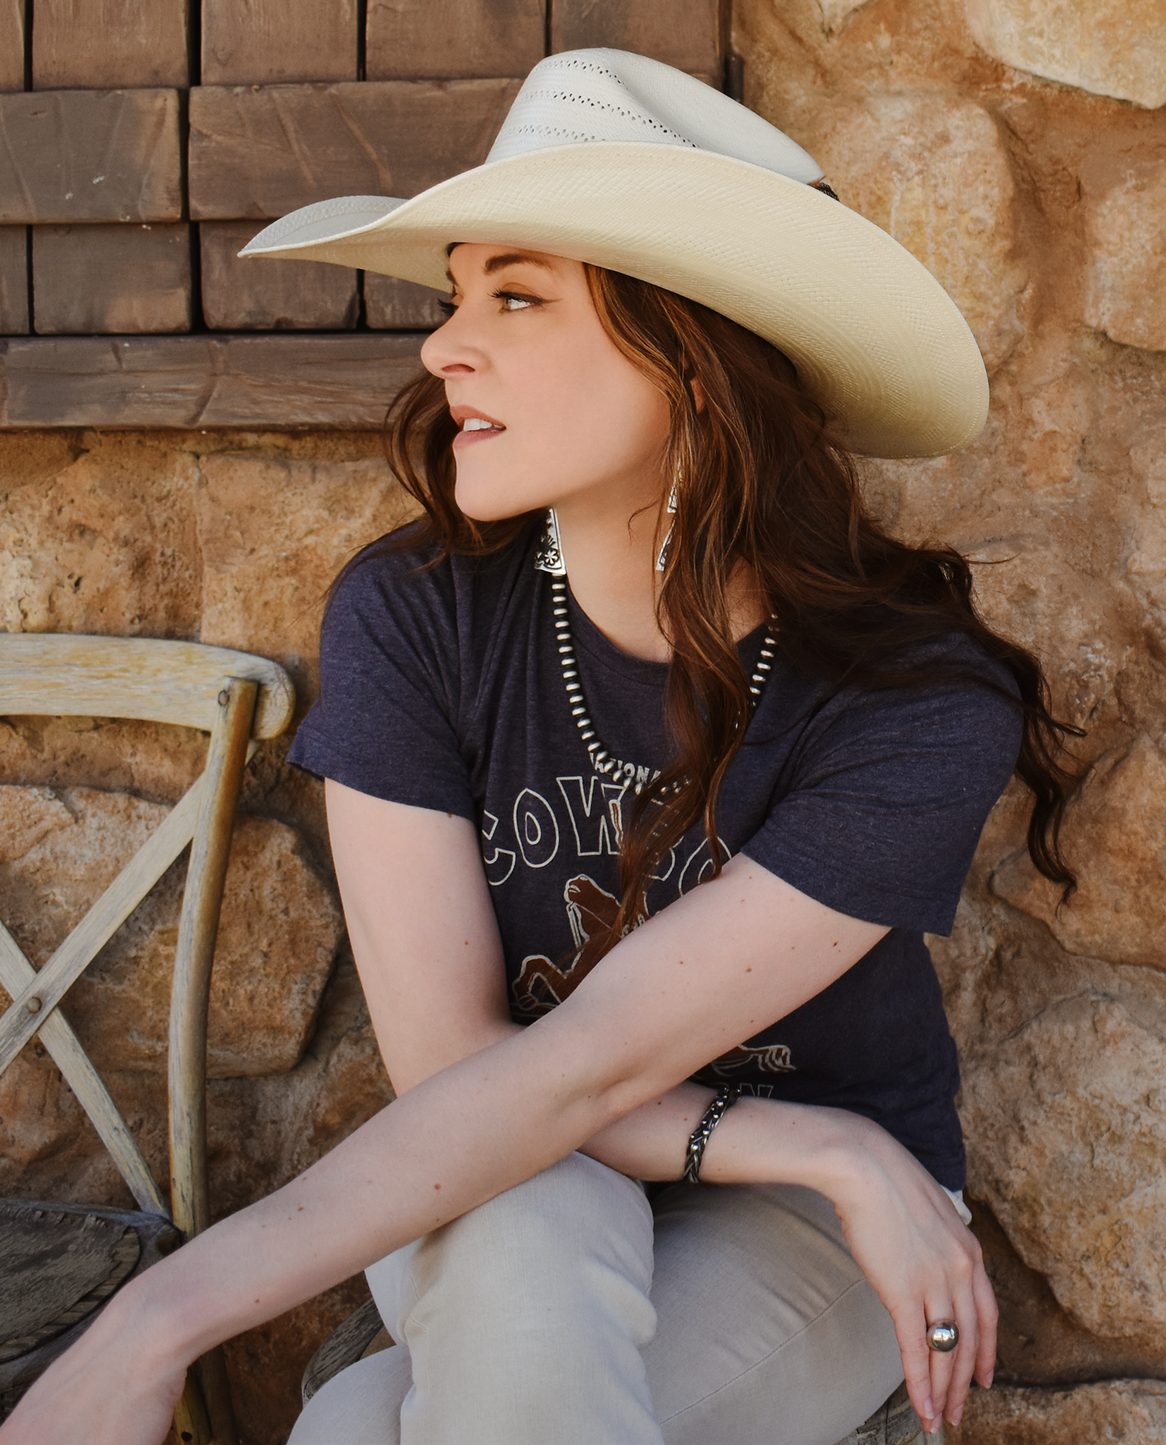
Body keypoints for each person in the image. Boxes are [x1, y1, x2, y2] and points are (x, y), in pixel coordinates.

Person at [0, 49, 1076, 1445]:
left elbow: (584, 1066)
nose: (445, 345)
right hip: (555, 1160)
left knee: (351, 1430)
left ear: (689, 360)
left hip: (815, 1234)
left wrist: (156, 1320)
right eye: (456, 295)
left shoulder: (909, 702)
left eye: (515, 296)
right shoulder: (417, 617)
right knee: (523, 1214)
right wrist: (821, 1136)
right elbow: (469, 1078)